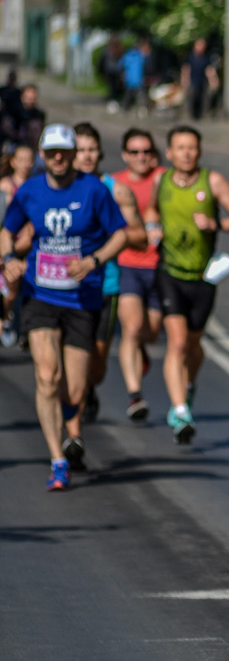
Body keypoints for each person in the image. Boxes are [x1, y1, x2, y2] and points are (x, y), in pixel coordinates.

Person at [0, 124, 128, 490]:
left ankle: (71, 418)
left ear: (74, 154)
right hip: (41, 295)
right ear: (42, 154)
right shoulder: (31, 190)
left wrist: (94, 260)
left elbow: (119, 232)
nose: (58, 157)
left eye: (64, 151)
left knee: (73, 391)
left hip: (82, 298)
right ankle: (58, 460)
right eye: (51, 151)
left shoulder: (93, 191)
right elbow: (7, 230)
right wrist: (8, 257)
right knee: (46, 376)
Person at [146, 125, 229, 443]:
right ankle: (179, 411)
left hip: (203, 277)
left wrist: (215, 223)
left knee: (193, 344)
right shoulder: (160, 180)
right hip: (170, 272)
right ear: (169, 153)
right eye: (180, 148)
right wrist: (152, 226)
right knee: (176, 343)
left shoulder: (213, 182)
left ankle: (188, 388)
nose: (186, 153)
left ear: (199, 151)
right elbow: (151, 207)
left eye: (191, 148)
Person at [65, 122, 146, 438]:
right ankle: (74, 435)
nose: (86, 156)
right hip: (63, 287)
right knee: (70, 360)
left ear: (100, 152)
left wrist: (110, 239)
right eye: (80, 150)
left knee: (95, 365)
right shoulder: (57, 189)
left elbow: (138, 234)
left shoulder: (116, 190)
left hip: (105, 284)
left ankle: (88, 389)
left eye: (91, 150)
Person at [114, 128, 167, 421]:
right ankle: (135, 395)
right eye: (134, 152)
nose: (141, 157)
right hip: (128, 264)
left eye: (146, 151)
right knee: (132, 329)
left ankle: (140, 355)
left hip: (159, 266)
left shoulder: (163, 179)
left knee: (151, 332)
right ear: (125, 155)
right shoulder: (116, 184)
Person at [0, 144, 36, 346]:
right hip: (10, 245)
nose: (26, 164)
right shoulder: (6, 186)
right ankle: (6, 319)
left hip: (29, 245)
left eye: (29, 159)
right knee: (11, 290)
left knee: (28, 288)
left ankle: (25, 328)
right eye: (21, 159)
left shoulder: (36, 185)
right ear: (13, 162)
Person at [181, 39, 219, 121]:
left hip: (202, 81)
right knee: (192, 97)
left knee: (202, 98)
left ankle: (200, 115)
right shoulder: (190, 57)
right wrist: (184, 80)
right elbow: (186, 69)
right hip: (192, 81)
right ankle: (192, 115)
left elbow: (209, 70)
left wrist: (213, 80)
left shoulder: (206, 57)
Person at [119, 38, 150, 115]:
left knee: (128, 96)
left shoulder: (127, 56)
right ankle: (142, 110)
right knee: (140, 97)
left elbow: (120, 65)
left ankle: (125, 109)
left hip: (129, 80)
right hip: (139, 80)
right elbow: (147, 65)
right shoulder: (140, 56)